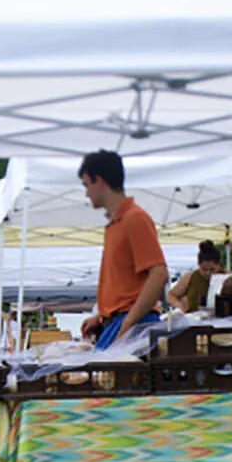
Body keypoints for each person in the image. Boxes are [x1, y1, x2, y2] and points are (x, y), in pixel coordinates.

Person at [77, 150, 169, 350]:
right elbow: (125, 286)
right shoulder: (116, 224)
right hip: (120, 322)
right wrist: (102, 317)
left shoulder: (135, 219)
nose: (86, 193)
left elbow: (159, 274)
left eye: (86, 185)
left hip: (133, 324)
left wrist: (128, 323)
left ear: (99, 181)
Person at [167, 240, 226, 314]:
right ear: (198, 264)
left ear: (219, 265)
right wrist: (180, 307)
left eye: (212, 269)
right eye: (204, 269)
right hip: (194, 321)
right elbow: (171, 295)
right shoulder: (189, 277)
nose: (208, 273)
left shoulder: (228, 278)